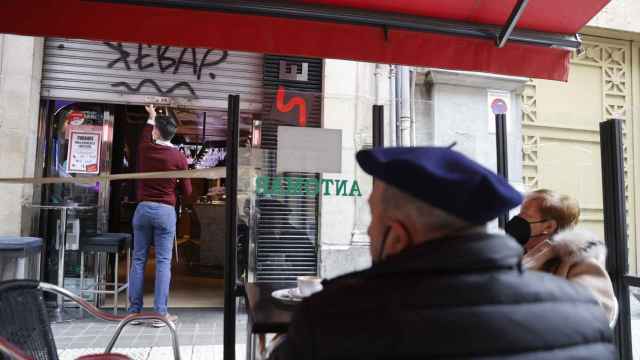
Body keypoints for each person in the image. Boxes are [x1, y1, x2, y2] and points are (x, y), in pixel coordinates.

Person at [267, 147, 615, 360]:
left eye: (374, 217)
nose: (371, 231)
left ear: (398, 236)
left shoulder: (331, 321)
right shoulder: (583, 313)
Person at [506, 189, 618, 327]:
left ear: (548, 226)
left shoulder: (579, 261)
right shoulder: (513, 256)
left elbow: (594, 314)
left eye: (525, 216)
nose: (516, 220)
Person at [128, 104, 192, 327]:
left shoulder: (146, 149)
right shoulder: (178, 157)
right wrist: (173, 186)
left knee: (138, 260)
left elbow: (145, 135)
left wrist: (151, 116)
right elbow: (188, 191)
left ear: (156, 132)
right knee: (163, 262)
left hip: (143, 209)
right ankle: (159, 315)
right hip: (165, 211)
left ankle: (134, 314)